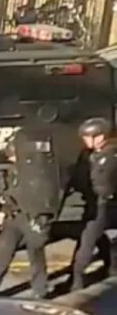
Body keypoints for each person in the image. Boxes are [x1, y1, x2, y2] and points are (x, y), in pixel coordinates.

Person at [0, 127, 64, 299]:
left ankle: (40, 291)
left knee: (36, 256)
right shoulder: (11, 172)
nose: (10, 159)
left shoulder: (39, 173)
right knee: (3, 255)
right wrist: (3, 210)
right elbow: (9, 195)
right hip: (14, 217)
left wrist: (43, 219)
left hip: (34, 218)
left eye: (12, 156)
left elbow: (47, 197)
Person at [69, 117, 117, 290]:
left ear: (100, 137)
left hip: (106, 204)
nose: (85, 140)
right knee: (100, 240)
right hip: (93, 203)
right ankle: (111, 271)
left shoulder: (112, 155)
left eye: (88, 137)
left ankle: (76, 283)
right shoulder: (87, 155)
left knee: (86, 244)